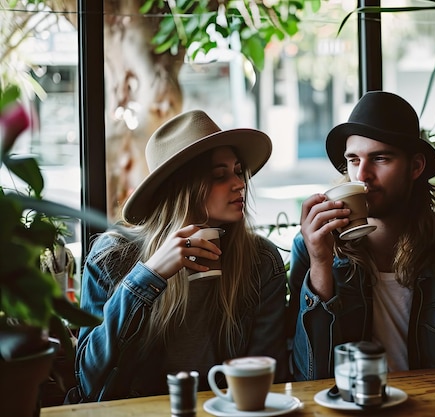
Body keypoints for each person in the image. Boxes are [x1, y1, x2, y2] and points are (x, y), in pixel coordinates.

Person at [287, 91, 435, 391]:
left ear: (415, 167)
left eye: (380, 158)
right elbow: (308, 378)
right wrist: (320, 264)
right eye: (353, 160)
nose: (362, 175)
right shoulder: (314, 249)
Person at [73, 110, 289, 402]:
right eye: (219, 175)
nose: (239, 184)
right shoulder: (114, 256)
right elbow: (90, 382)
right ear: (181, 189)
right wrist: (148, 277)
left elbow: (269, 377)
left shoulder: (260, 260)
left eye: (238, 171)